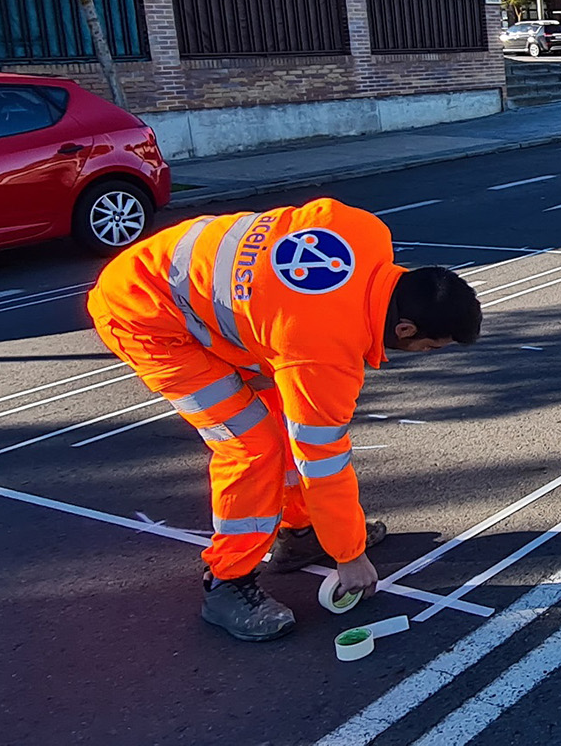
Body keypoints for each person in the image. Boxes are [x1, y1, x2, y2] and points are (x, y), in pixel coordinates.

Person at [86, 198, 482, 642]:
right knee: (251, 444)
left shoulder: (368, 230)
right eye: (430, 348)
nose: (421, 357)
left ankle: (301, 532)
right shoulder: (323, 353)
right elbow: (321, 458)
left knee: (282, 413)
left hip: (190, 287)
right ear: (405, 328)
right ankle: (227, 582)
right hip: (147, 317)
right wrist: (349, 556)